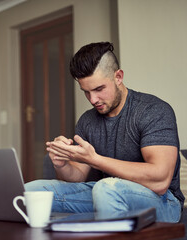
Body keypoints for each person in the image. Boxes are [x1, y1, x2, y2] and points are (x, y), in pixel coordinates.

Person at [25, 41, 185, 222]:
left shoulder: (153, 110)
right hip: (106, 194)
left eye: (99, 89)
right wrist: (61, 164)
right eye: (86, 92)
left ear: (118, 77)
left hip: (163, 202)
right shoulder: (87, 120)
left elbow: (160, 181)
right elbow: (77, 178)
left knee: (105, 188)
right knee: (31, 191)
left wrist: (95, 160)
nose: (93, 99)